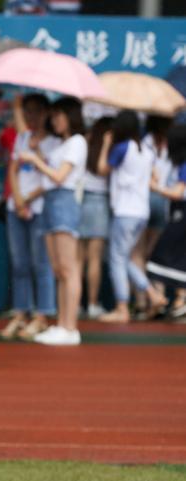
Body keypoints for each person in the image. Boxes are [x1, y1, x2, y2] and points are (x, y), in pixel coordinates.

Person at [19, 97, 86, 346]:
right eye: (54, 115)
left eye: (59, 115)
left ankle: (70, 327)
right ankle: (62, 324)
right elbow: (49, 169)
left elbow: (59, 176)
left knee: (68, 268)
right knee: (58, 269)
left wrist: (36, 160)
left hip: (63, 201)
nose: (55, 120)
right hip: (49, 201)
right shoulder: (61, 144)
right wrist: (37, 152)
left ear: (71, 116)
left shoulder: (77, 142)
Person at [97, 110, 166, 323]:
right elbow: (155, 176)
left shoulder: (121, 148)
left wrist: (106, 143)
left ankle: (122, 307)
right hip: (141, 212)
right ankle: (153, 294)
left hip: (125, 211)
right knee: (122, 257)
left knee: (117, 258)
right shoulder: (146, 150)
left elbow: (102, 169)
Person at [1, 94, 58, 340]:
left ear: (46, 113)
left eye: (36, 111)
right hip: (17, 207)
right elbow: (13, 169)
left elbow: (50, 178)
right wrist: (18, 199)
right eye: (27, 111)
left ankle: (42, 315)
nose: (31, 116)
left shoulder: (55, 142)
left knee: (41, 263)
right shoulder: (23, 137)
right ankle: (20, 312)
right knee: (20, 263)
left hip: (40, 207)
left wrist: (28, 199)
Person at [147, 123, 186, 318]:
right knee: (175, 258)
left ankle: (179, 299)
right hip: (176, 213)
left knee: (162, 256)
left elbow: (178, 193)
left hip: (182, 214)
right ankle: (178, 300)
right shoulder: (176, 163)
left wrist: (155, 188)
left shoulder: (184, 164)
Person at [78, 117, 113, 319]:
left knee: (80, 259)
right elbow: (103, 169)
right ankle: (91, 303)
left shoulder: (84, 141)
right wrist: (107, 145)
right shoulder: (106, 146)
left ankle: (77, 303)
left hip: (83, 200)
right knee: (94, 259)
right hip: (99, 201)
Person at [137, 116, 172, 316]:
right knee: (155, 254)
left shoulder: (144, 143)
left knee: (140, 254)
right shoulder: (169, 144)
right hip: (163, 198)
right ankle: (157, 297)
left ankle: (145, 301)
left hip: (147, 197)